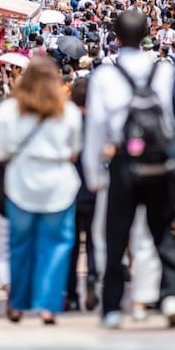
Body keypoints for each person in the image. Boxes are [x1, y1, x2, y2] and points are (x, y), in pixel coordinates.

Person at [83, 11, 175, 329]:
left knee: (117, 234)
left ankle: (112, 306)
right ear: (148, 33)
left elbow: (96, 128)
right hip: (160, 162)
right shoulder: (164, 70)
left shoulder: (105, 75)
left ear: (115, 35)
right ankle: (171, 296)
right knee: (163, 231)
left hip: (123, 162)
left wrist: (92, 174)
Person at [0, 56, 82, 325]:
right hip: (59, 184)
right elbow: (74, 151)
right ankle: (48, 305)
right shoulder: (69, 112)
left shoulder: (8, 111)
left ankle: (18, 303)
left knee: (20, 244)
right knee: (56, 246)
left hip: (20, 182)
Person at [65, 77, 99, 312]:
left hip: (69, 190)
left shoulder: (66, 122)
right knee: (96, 242)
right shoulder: (99, 122)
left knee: (72, 244)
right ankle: (92, 279)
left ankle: (72, 295)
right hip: (96, 188)